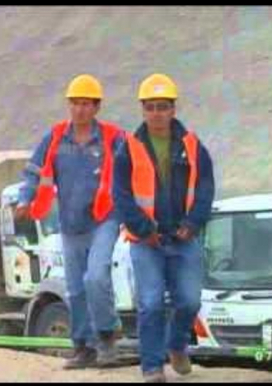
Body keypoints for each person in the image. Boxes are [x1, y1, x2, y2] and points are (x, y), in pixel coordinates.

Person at [16, 74, 125, 369]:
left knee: (96, 278)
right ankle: (82, 347)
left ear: (97, 107)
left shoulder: (114, 138)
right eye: (75, 103)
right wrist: (25, 200)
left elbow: (133, 173)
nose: (80, 110)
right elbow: (32, 172)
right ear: (69, 105)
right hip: (70, 223)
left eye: (86, 104)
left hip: (104, 219)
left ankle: (106, 338)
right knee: (75, 288)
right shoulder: (54, 138)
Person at [112, 73, 216, 382]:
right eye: (151, 107)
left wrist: (193, 223)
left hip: (184, 238)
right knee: (151, 303)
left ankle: (177, 345)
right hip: (146, 241)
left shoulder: (193, 146)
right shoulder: (127, 149)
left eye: (163, 107)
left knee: (189, 301)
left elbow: (206, 188)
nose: (157, 113)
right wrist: (145, 229)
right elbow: (121, 196)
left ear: (173, 109)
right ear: (143, 110)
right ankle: (153, 367)